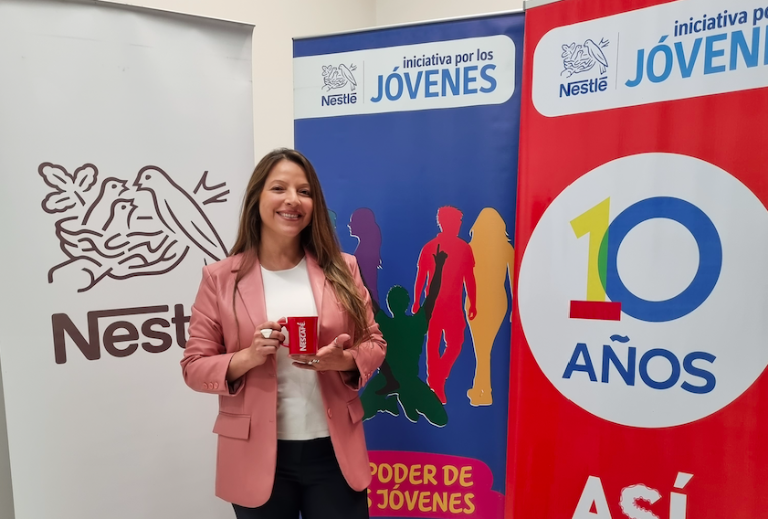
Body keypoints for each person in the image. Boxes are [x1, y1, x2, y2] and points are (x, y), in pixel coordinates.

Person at [180, 148, 386, 519]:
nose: (293, 200)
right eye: (279, 188)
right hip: (255, 455)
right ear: (257, 198)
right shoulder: (220, 279)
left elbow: (374, 342)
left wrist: (344, 361)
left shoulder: (343, 268)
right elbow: (194, 367)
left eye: (304, 192)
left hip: (333, 453)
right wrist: (247, 357)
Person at [361, 245, 448, 427]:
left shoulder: (386, 322)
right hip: (393, 380)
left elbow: (366, 295)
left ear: (390, 304)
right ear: (407, 302)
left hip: (403, 380)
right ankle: (391, 403)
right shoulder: (416, 323)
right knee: (360, 414)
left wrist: (357, 273)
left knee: (441, 419)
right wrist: (439, 266)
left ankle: (403, 399)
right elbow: (432, 296)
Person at [412, 206, 476, 403]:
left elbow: (469, 277)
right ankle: (435, 383)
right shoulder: (430, 247)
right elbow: (421, 276)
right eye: (457, 221)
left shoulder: (464, 248)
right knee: (433, 342)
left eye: (459, 222)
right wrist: (416, 301)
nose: (459, 225)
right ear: (444, 222)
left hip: (454, 306)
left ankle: (437, 377)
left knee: (456, 343)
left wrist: (473, 302)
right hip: (433, 305)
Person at [465, 208, 514, 406]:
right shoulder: (507, 248)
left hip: (475, 302)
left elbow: (466, 280)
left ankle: (484, 392)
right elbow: (513, 281)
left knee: (482, 349)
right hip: (498, 302)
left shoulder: (470, 248)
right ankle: (480, 388)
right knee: (485, 349)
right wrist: (513, 309)